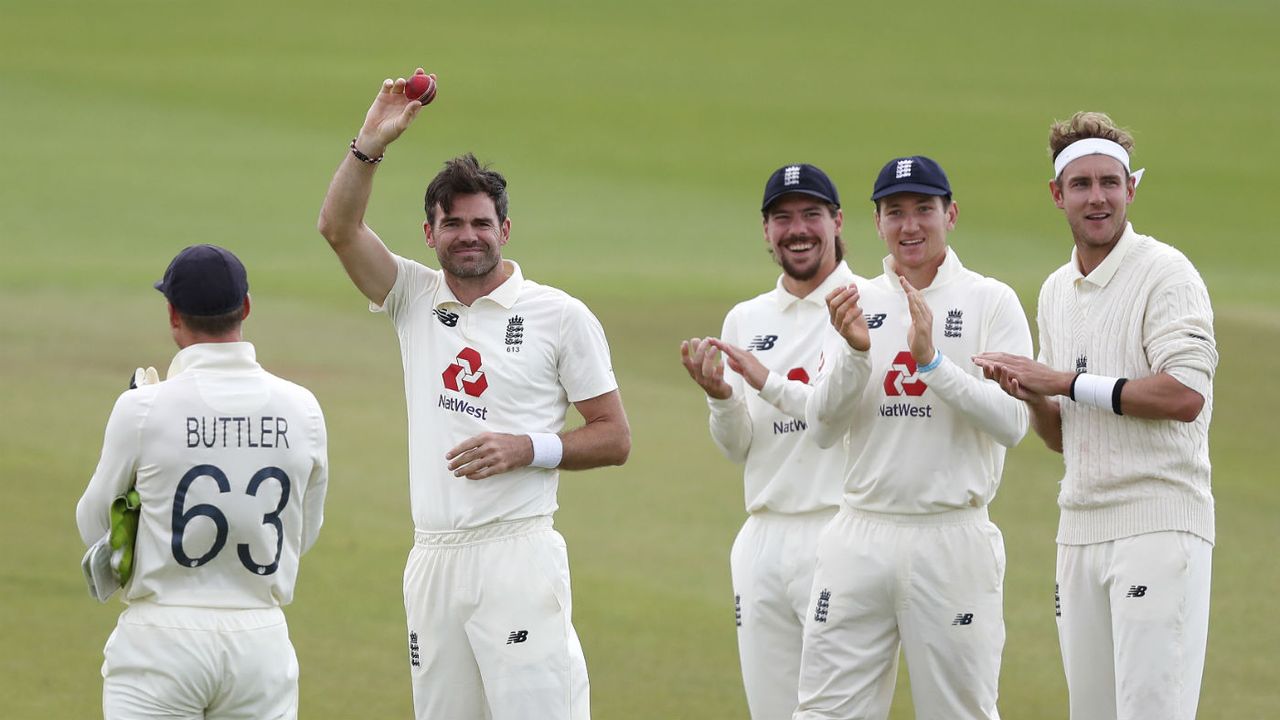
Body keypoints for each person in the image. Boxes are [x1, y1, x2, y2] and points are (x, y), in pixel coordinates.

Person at [316, 70, 631, 720]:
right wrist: (369, 143)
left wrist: (528, 448)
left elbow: (614, 435)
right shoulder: (411, 297)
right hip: (432, 557)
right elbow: (339, 229)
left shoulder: (559, 315)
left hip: (516, 550)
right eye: (453, 224)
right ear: (429, 235)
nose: (469, 236)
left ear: (505, 230)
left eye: (482, 224)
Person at [974, 112, 1217, 720]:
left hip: (1157, 525)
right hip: (1079, 529)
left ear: (1131, 188)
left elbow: (1185, 395)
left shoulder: (1167, 273)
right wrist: (1032, 393)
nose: (1098, 197)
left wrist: (1065, 381)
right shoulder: (1056, 290)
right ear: (1058, 196)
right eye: (1081, 184)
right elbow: (1064, 435)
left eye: (1110, 182)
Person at [792, 156, 1032, 719]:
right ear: (876, 223)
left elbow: (1014, 422)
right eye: (894, 211)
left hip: (950, 537)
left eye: (923, 209)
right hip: (860, 534)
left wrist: (933, 364)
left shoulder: (989, 301)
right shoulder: (856, 300)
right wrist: (854, 355)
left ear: (950, 213)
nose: (910, 225)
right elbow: (823, 430)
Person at [76, 244, 330, 719]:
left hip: (159, 645)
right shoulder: (304, 409)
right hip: (261, 645)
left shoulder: (143, 408)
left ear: (173, 315)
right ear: (247, 308)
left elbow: (95, 525)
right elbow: (303, 533)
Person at [680, 163, 861, 719]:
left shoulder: (865, 305)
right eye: (782, 218)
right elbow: (738, 446)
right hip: (762, 534)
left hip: (839, 527)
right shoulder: (746, 318)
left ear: (836, 221)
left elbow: (833, 419)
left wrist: (764, 381)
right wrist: (720, 396)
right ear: (766, 231)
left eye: (811, 215)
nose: (797, 229)